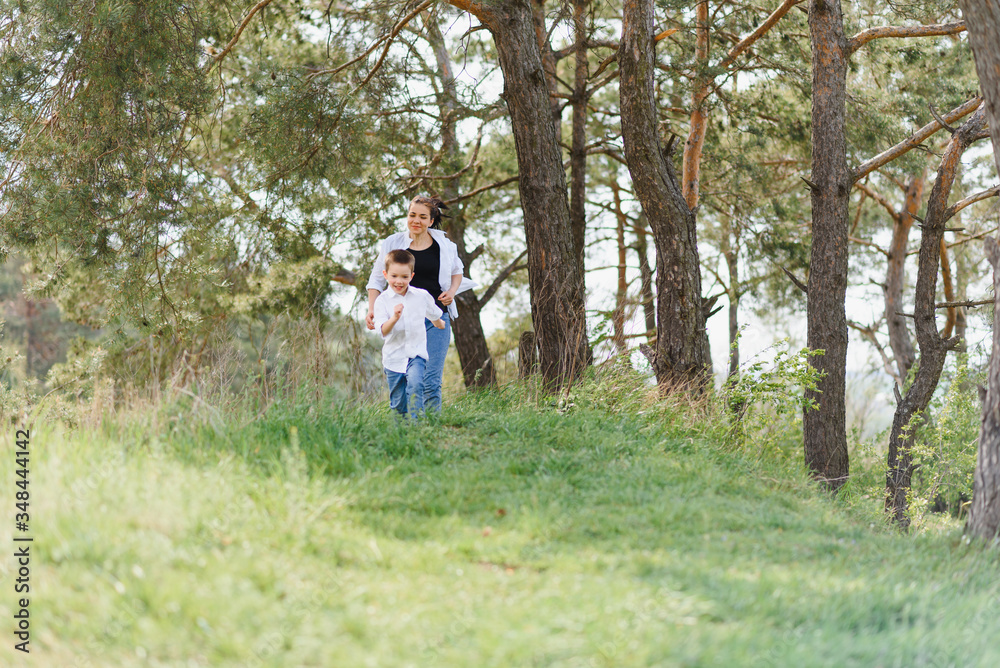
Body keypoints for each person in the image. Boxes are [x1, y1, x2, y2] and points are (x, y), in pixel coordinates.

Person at [366, 195, 476, 412]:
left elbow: (457, 271)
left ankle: (431, 426)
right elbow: (377, 279)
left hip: (435, 317)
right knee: (402, 376)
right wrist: (372, 309)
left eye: (423, 217)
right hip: (400, 320)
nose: (416, 220)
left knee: (431, 379)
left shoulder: (445, 246)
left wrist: (451, 292)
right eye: (412, 215)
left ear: (431, 221)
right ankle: (408, 423)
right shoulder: (392, 243)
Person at [373, 249, 446, 418]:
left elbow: (434, 314)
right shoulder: (382, 301)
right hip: (393, 357)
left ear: (411, 276)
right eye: (394, 276)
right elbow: (382, 330)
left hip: (416, 353)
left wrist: (440, 324)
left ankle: (418, 425)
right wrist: (394, 317)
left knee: (416, 384)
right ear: (385, 274)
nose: (399, 281)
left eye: (404, 277)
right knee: (398, 402)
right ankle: (402, 430)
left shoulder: (421, 296)